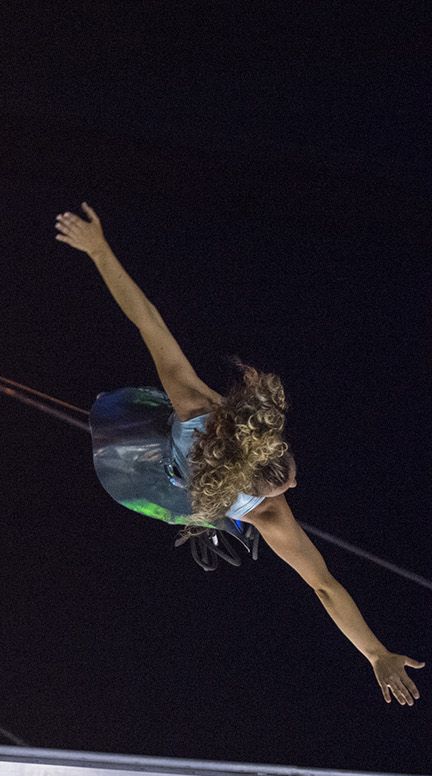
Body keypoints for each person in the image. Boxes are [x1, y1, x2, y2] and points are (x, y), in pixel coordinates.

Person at [57, 202, 421, 705]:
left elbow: (325, 587)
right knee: (190, 467)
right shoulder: (208, 425)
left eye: (286, 474)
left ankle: (206, 510)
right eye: (282, 484)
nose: (293, 486)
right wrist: (99, 250)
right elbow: (148, 321)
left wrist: (375, 654)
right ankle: (201, 502)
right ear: (248, 481)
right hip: (167, 460)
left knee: (211, 495)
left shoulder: (244, 471)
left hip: (196, 475)